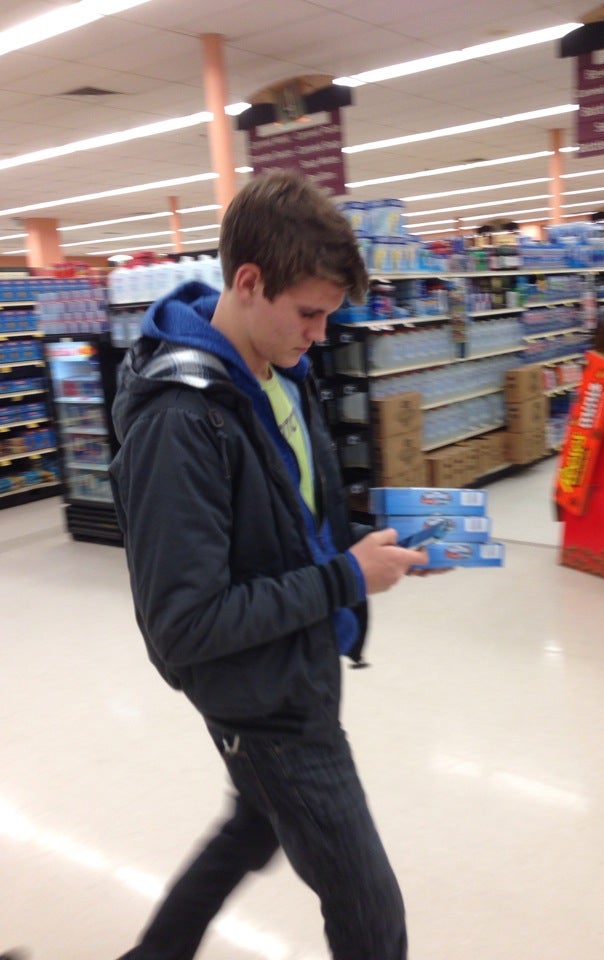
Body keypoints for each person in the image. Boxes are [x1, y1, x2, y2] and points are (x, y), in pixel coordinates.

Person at [108, 171, 430, 960]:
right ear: (248, 282)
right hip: (266, 706)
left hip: (296, 665)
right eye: (309, 313)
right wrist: (345, 579)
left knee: (249, 832)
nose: (319, 333)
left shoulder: (276, 373)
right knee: (370, 913)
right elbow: (184, 625)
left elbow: (291, 521)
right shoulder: (180, 422)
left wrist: (378, 545)